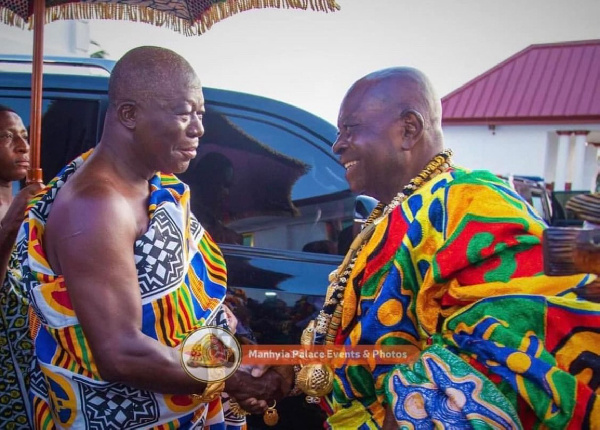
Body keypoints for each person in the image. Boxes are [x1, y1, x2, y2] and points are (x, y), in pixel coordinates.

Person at [289, 68, 600, 428]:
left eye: (350, 128)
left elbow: (503, 343)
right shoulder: (393, 215)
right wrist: (285, 373)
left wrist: (405, 415)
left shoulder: (472, 205)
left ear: (409, 129)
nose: (338, 145)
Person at [15, 46, 289, 429]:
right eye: (183, 113)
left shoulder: (155, 187)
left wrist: (234, 357)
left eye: (200, 114)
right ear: (129, 114)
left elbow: (188, 308)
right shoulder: (96, 206)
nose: (199, 128)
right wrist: (231, 377)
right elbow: (122, 354)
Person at [0, 104, 43, 429]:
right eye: (6, 137)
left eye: (25, 136)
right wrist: (13, 220)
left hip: (28, 351)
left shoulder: (23, 205)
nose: (23, 146)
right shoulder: (15, 210)